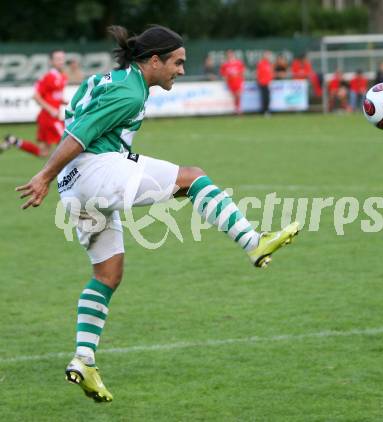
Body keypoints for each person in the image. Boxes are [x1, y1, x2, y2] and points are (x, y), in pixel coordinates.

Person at [16, 25, 299, 403]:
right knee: (193, 178)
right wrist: (43, 175)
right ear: (154, 60)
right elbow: (80, 134)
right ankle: (253, 242)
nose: (181, 70)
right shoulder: (130, 92)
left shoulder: (112, 80)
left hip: (75, 187)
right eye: (177, 63)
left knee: (108, 274)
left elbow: (80, 118)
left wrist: (56, 177)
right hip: (94, 170)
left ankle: (84, 360)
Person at [1, 50, 68, 157]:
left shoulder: (63, 77)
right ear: (51, 62)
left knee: (43, 153)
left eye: (62, 59)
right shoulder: (48, 77)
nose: (61, 61)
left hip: (53, 117)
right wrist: (51, 109)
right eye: (58, 59)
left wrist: (65, 102)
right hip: (48, 118)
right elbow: (36, 96)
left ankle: (14, 140)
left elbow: (54, 96)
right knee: (68, 142)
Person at [220, 50, 246, 114]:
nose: (229, 55)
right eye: (228, 54)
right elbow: (223, 74)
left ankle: (238, 109)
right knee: (235, 96)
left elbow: (242, 72)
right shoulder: (225, 64)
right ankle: (236, 108)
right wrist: (226, 78)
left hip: (238, 81)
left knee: (238, 95)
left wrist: (241, 79)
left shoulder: (238, 63)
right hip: (231, 82)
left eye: (230, 54)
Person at [256, 51, 274, 115]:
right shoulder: (261, 63)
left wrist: (270, 81)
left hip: (268, 83)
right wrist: (260, 81)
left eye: (268, 55)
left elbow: (270, 73)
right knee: (265, 97)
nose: (268, 56)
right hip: (263, 83)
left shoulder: (269, 63)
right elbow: (259, 74)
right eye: (266, 55)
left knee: (268, 97)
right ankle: (265, 111)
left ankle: (267, 110)